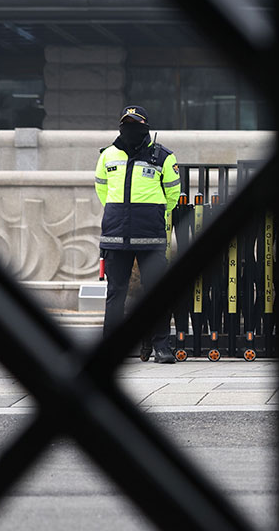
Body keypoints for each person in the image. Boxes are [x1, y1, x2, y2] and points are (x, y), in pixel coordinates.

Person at [95, 105, 181, 364]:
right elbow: (102, 190)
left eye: (135, 123)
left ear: (145, 127)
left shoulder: (163, 156)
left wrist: (153, 214)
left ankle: (161, 346)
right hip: (115, 235)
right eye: (126, 123)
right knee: (116, 292)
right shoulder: (107, 155)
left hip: (150, 236)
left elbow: (173, 195)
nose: (130, 128)